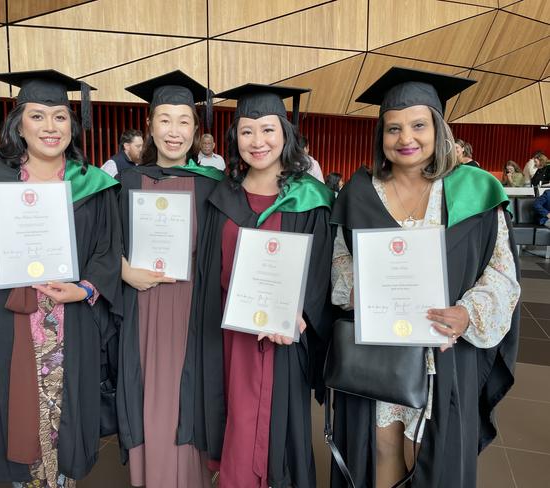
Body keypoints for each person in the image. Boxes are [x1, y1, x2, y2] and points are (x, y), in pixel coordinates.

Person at [330, 67, 520, 488]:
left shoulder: (476, 189)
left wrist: (468, 314)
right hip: (379, 347)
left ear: (438, 129)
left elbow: (502, 273)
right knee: (380, 446)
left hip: (444, 350)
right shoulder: (360, 193)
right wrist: (358, 291)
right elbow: (340, 261)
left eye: (418, 125)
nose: (405, 138)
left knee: (430, 448)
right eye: (393, 128)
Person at [0, 70, 122, 487]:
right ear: (18, 122)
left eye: (60, 117)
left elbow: (107, 252)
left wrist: (85, 288)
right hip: (10, 320)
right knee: (13, 410)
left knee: (66, 414)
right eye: (38, 116)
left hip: (69, 321)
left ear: (73, 126)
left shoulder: (93, 185)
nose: (50, 127)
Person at [194, 83, 333, 488]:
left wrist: (301, 315)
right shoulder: (221, 196)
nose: (258, 141)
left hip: (283, 338)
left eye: (269, 129)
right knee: (235, 417)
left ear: (285, 135)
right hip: (231, 334)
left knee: (278, 428)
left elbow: (322, 271)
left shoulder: (311, 199)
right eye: (247, 130)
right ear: (234, 138)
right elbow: (208, 268)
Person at [115, 71, 223, 488]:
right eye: (164, 119)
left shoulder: (215, 188)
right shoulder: (123, 184)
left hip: (194, 308)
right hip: (143, 305)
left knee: (188, 394)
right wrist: (122, 269)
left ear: (197, 130)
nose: (173, 131)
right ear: (149, 126)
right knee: (150, 396)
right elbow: (102, 245)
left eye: (183, 121)